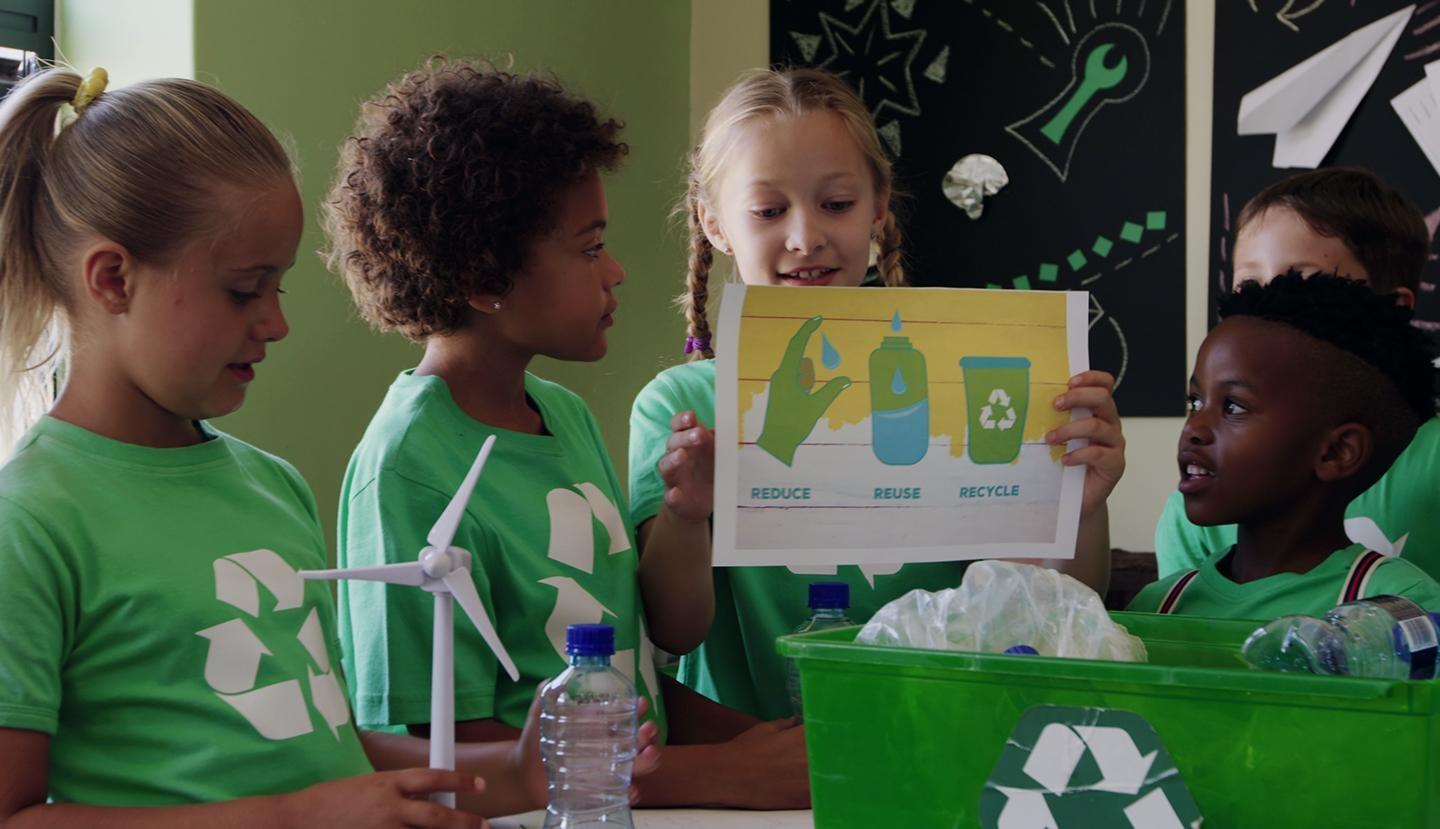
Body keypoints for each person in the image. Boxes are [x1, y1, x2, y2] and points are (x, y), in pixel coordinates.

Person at [0, 67, 626, 826]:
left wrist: (521, 771)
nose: (276, 323)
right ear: (111, 279)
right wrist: (297, 816)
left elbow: (327, 747)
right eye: (244, 289)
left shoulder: (274, 485)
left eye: (281, 288)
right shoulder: (29, 521)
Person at [327, 59, 807, 809]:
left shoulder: (566, 416)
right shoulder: (407, 468)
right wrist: (723, 774)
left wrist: (766, 743)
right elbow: (445, 751)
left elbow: (635, 683)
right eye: (589, 249)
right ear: (485, 278)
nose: (615, 272)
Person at [629, 67, 1126, 720]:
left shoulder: (956, 380)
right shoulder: (679, 407)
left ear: (879, 207)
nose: (805, 236)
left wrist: (1078, 508)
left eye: (836, 203)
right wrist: (686, 515)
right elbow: (673, 629)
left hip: (935, 735)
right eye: (769, 211)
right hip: (754, 758)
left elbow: (1050, 605)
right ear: (714, 224)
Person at [1155, 168, 1440, 581]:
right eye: (1249, 285)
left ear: (1392, 307)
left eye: (1300, 280)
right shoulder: (1196, 508)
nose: (1269, 306)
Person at [1132, 272, 1440, 616]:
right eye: (1195, 402)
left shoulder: (1405, 610)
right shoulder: (1158, 605)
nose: (1194, 429)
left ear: (1336, 452)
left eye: (1233, 407)